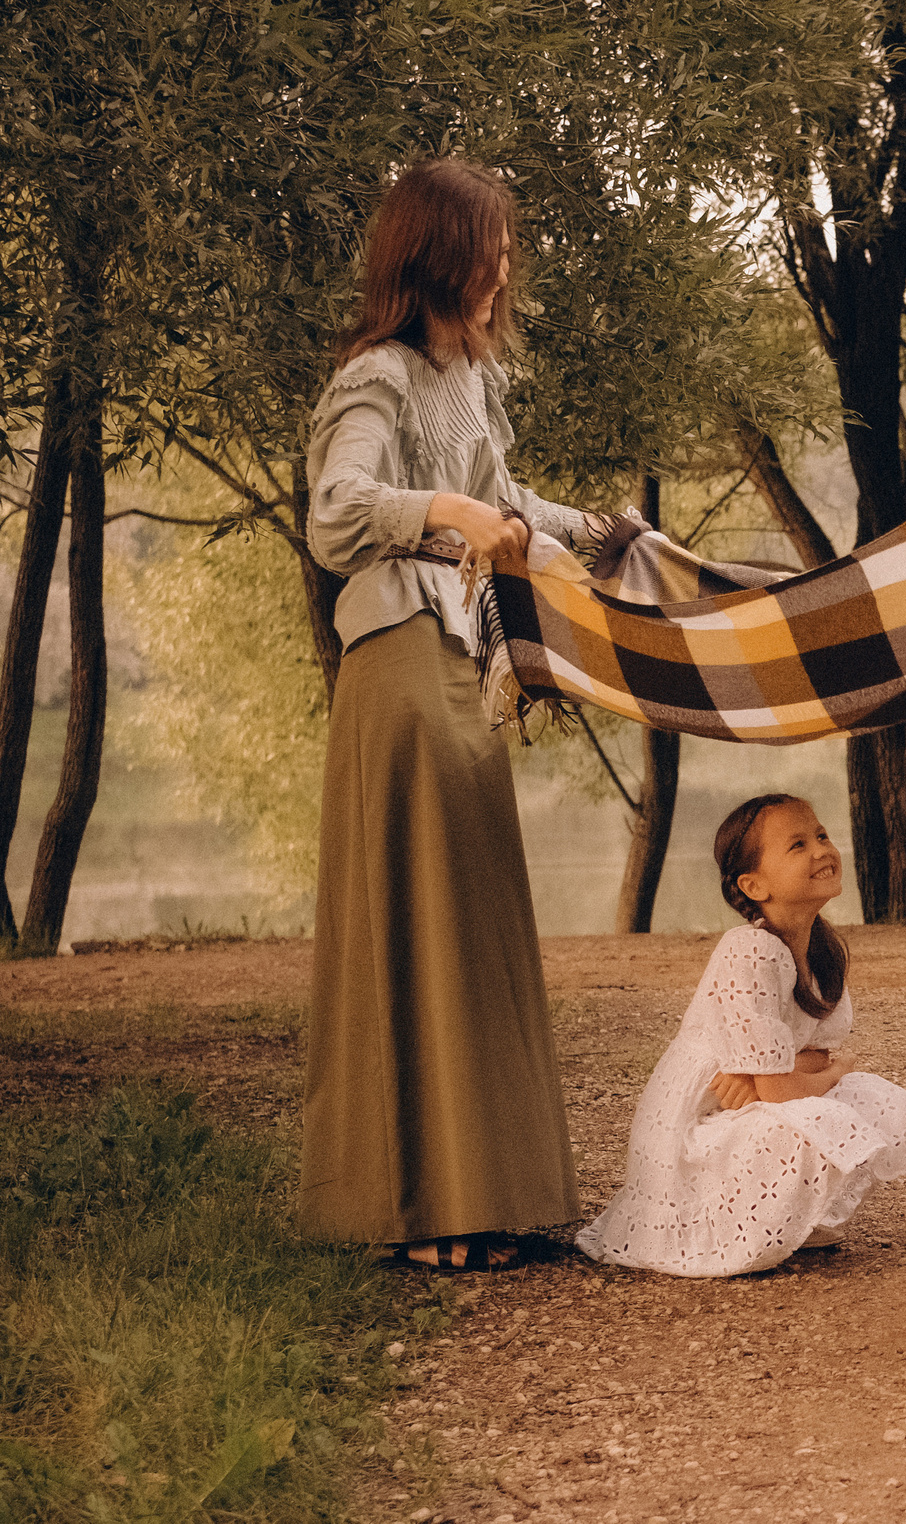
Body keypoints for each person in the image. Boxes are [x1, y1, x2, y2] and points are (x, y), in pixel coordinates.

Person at [299, 157, 604, 1269]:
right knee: (419, 915)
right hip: (394, 657)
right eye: (494, 249)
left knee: (469, 912)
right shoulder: (374, 375)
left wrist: (610, 537)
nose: (505, 271)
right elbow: (338, 514)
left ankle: (485, 1195)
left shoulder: (472, 379)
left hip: (460, 653)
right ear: (439, 252)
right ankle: (416, 1208)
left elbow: (508, 507)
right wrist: (447, 510)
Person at [574, 795, 906, 1275]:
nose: (821, 850)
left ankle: (791, 1219)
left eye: (821, 835)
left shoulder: (821, 950)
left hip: (747, 1103)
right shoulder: (750, 951)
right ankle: (727, 1230)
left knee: (869, 1098)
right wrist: (820, 1071)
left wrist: (777, 1075)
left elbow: (807, 1061)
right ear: (753, 884)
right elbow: (789, 1087)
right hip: (690, 1129)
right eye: (797, 845)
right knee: (825, 1110)